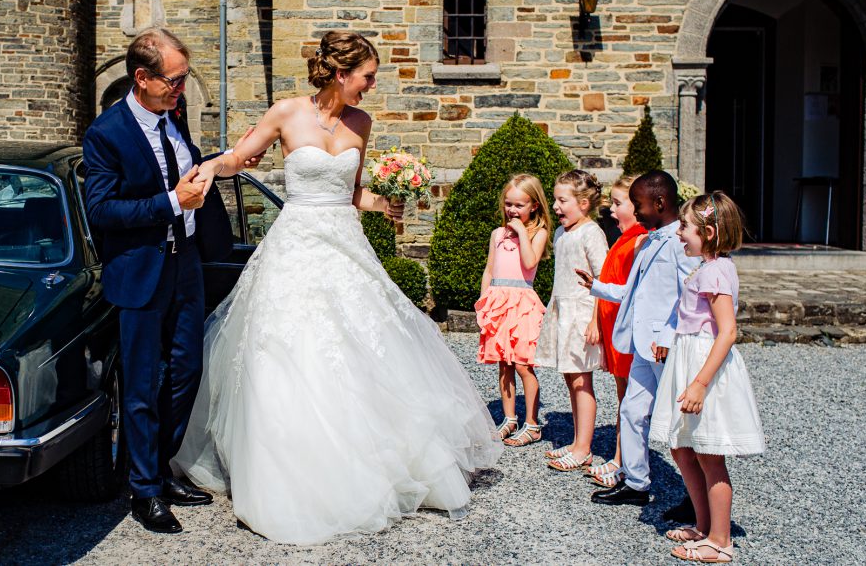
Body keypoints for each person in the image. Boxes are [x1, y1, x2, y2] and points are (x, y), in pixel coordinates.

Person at [173, 31, 502, 545]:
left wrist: (382, 203)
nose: (371, 86)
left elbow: (351, 193)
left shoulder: (361, 123)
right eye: (367, 76)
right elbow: (241, 156)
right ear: (341, 73)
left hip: (345, 247)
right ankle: (289, 475)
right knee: (290, 350)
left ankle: (369, 467)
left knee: (364, 349)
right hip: (296, 246)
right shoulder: (286, 112)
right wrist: (212, 167)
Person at [83, 28, 230, 533]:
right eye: (174, 80)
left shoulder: (173, 120)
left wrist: (215, 168)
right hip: (140, 271)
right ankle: (143, 490)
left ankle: (161, 469)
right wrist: (171, 203)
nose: (181, 89)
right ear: (142, 78)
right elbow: (101, 210)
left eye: (184, 79)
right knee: (142, 385)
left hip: (185, 262)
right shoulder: (107, 133)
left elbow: (185, 174)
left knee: (187, 369)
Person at [650, 192, 764, 563]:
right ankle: (703, 523)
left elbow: (727, 331)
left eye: (685, 227)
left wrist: (699, 382)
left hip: (704, 366)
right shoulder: (708, 266)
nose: (679, 232)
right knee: (682, 447)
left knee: (709, 453)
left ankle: (720, 540)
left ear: (710, 232)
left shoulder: (715, 271)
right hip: (688, 359)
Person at [578, 171, 699, 506]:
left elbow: (690, 297)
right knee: (632, 410)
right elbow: (634, 290)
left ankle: (696, 495)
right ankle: (636, 482)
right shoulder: (649, 241)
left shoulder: (681, 242)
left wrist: (667, 333)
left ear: (659, 203)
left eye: (638, 204)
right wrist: (596, 286)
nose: (635, 210)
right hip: (643, 346)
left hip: (665, 346)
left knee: (679, 421)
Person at [535, 170, 609, 471]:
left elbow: (603, 279)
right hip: (563, 310)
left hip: (581, 313)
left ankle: (583, 448)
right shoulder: (563, 232)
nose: (555, 206)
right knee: (570, 378)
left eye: (562, 200)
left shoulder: (591, 233)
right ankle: (578, 440)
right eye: (555, 199)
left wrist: (595, 321)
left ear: (583, 203)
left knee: (581, 380)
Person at [474, 174, 551, 447]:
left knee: (522, 364)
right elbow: (489, 269)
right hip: (498, 300)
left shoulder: (537, 234)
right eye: (509, 204)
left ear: (535, 206)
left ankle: (532, 423)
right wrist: (484, 303)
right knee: (503, 364)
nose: (512, 210)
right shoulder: (497, 234)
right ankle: (509, 418)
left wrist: (520, 232)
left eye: (519, 205)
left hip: (522, 301)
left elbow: (529, 263)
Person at [582, 175, 646, 486]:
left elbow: (631, 292)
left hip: (627, 336)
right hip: (615, 333)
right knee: (623, 398)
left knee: (629, 401)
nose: (610, 210)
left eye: (618, 204)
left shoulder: (638, 241)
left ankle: (625, 462)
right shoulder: (623, 238)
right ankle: (622, 458)